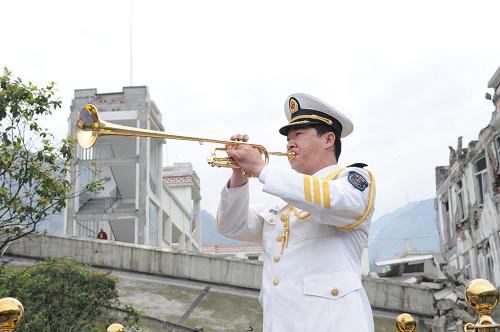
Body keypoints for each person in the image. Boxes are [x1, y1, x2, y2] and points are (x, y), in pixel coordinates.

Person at [216, 93, 376, 331]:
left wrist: (260, 168)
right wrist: (239, 174)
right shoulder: (283, 198)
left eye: (298, 135)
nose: (290, 143)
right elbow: (231, 226)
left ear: (329, 139)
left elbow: (333, 201)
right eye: (288, 138)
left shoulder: (352, 180)